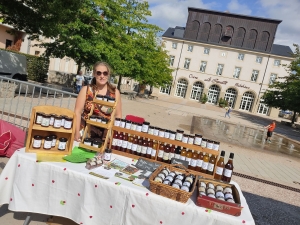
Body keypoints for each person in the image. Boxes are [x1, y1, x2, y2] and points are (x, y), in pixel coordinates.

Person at [74, 62, 122, 141]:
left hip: (104, 135)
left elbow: (118, 116)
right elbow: (77, 112)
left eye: (105, 73)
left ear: (108, 74)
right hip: (84, 132)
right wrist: (76, 132)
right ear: (94, 74)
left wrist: (115, 136)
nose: (102, 76)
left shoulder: (115, 93)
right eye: (99, 73)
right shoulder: (86, 90)